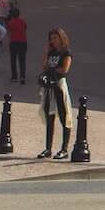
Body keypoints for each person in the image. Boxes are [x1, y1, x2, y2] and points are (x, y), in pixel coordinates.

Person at [38, 28, 73, 160]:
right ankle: (48, 148)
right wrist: (46, 53)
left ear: (61, 38)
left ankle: (64, 149)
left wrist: (52, 70)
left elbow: (64, 69)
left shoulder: (66, 53)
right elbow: (44, 67)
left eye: (55, 38)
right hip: (49, 86)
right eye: (51, 38)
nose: (53, 40)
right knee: (49, 117)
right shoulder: (51, 52)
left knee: (64, 116)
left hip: (58, 85)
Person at [6, 8, 30, 84]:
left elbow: (9, 32)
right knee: (22, 60)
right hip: (23, 42)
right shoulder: (22, 21)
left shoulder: (10, 23)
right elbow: (25, 28)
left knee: (13, 59)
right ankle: (22, 77)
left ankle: (14, 76)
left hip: (14, 42)